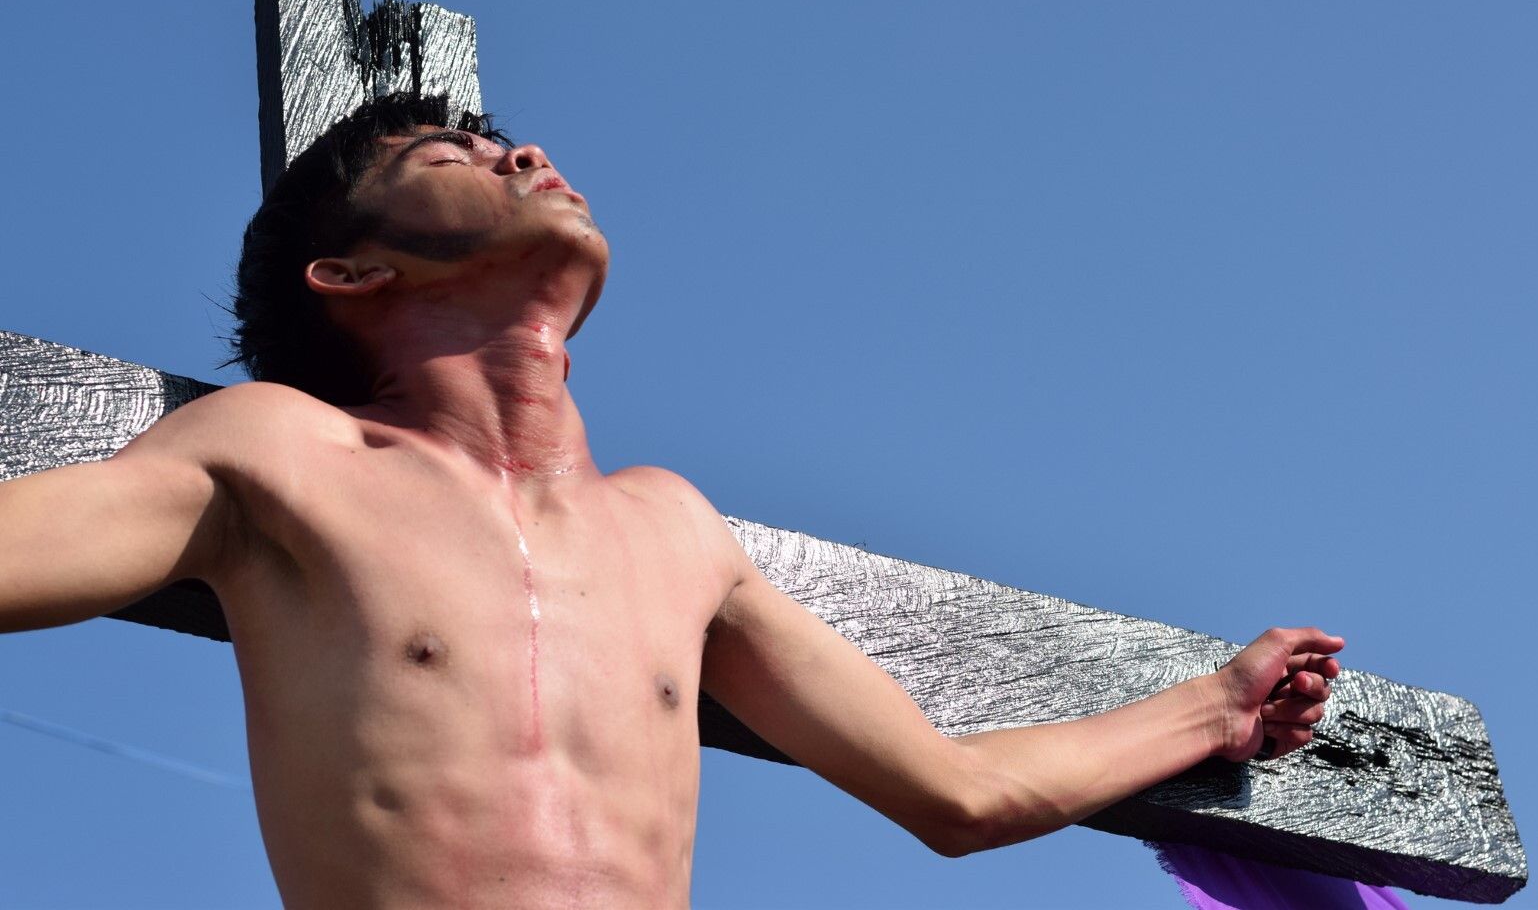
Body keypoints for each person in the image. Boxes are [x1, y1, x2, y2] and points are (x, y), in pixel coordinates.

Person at [0, 94, 1342, 908]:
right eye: (449, 151)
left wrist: (1215, 707)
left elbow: (956, 794)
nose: (520, 150)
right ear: (349, 274)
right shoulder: (280, 455)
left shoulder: (672, 531)